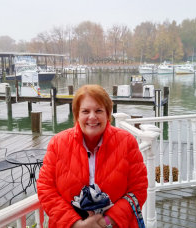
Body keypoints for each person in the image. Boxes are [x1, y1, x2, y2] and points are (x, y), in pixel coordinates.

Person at [37, 84, 148, 227]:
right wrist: (75, 224)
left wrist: (107, 221)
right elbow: (46, 188)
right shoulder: (58, 144)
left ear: (108, 114)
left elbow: (138, 188)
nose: (92, 117)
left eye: (99, 110)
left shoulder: (127, 142)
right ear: (77, 115)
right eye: (85, 111)